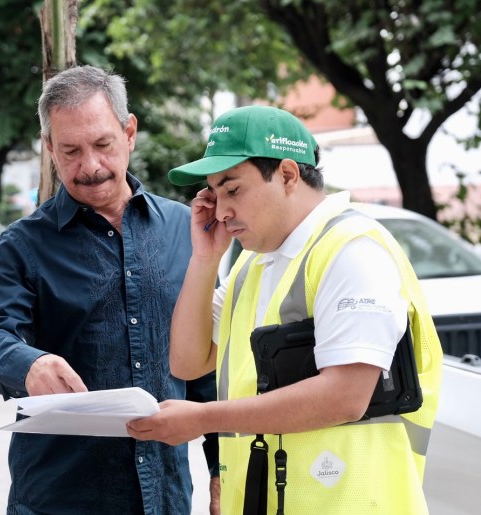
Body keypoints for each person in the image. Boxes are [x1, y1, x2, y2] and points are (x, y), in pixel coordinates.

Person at [126, 105, 443, 513]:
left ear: (289, 175)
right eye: (215, 193)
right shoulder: (252, 264)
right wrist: (204, 259)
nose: (221, 211)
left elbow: (344, 396)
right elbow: (187, 362)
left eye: (233, 189)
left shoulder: (352, 251)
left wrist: (204, 418)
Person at [0, 65, 220, 515]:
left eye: (103, 145)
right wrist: (30, 364)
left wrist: (222, 469)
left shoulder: (187, 231)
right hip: (60, 498)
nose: (90, 167)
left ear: (129, 132)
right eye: (70, 151)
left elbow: (210, 367)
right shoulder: (22, 245)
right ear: (48, 147)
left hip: (165, 497)